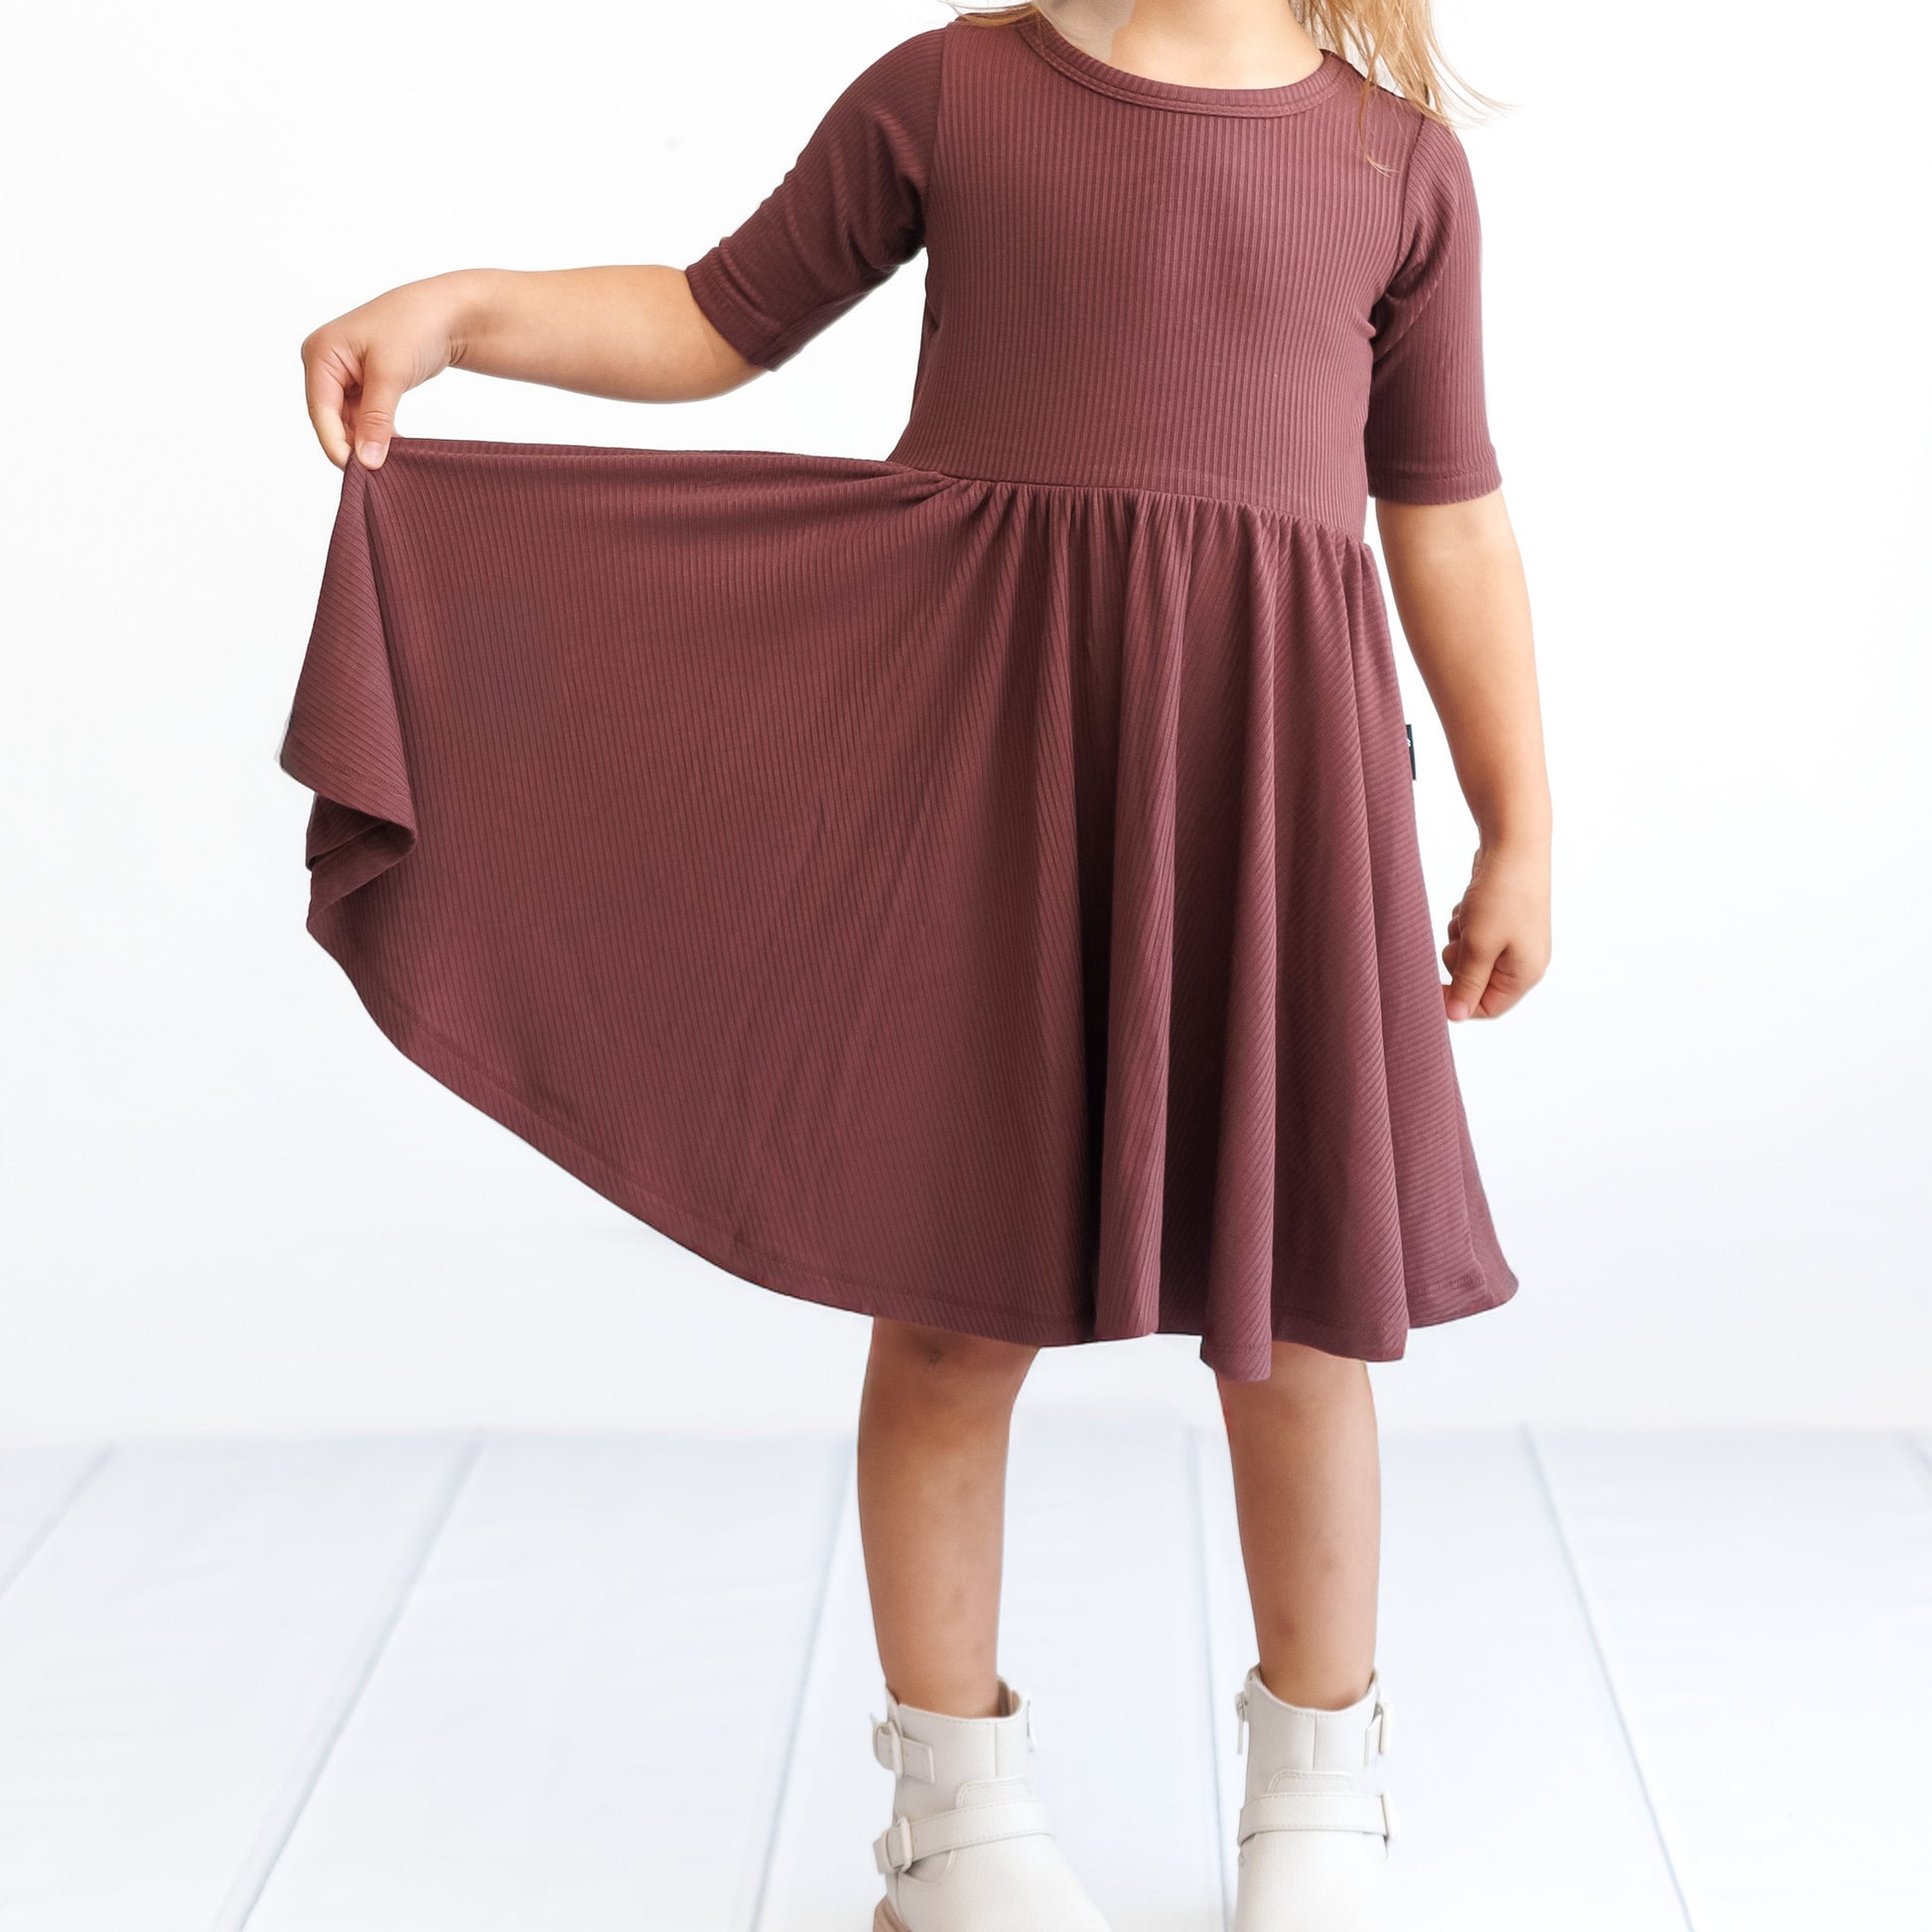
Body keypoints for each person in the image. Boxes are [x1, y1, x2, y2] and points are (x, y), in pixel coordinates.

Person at [290, 3, 1551, 1926]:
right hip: (987, 768)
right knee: (952, 1307)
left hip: (1266, 783)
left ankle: (1319, 1795)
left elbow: (1443, 513)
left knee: (1302, 1308)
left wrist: (1514, 819)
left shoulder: (1399, 169)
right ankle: (954, 1818)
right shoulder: (951, 91)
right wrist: (466, 312)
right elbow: (713, 319)